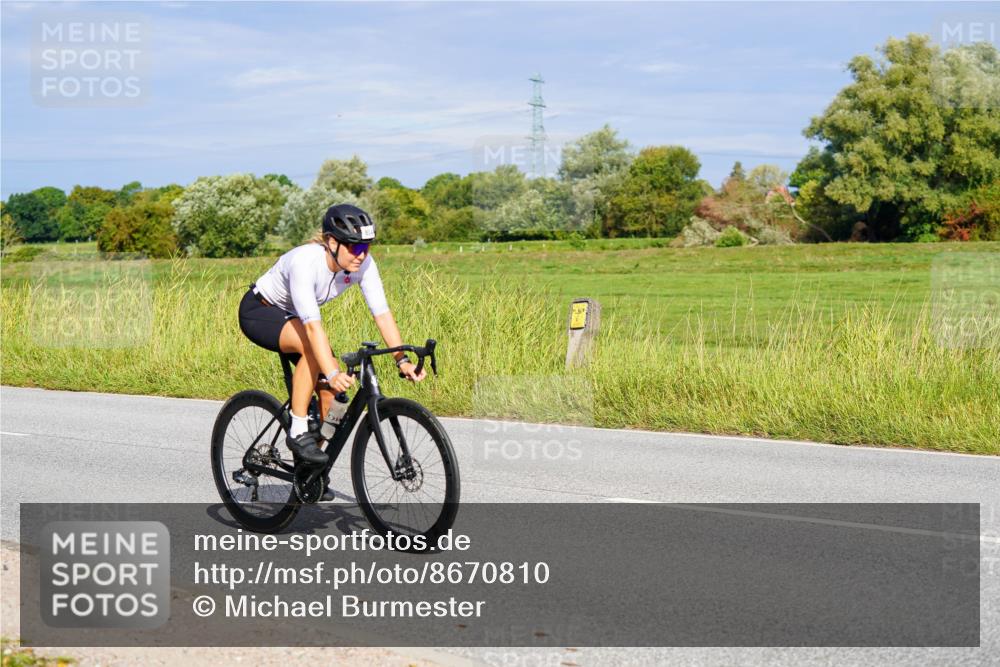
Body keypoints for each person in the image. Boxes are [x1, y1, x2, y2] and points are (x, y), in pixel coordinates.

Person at [237, 204, 425, 465]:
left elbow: (382, 314)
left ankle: (310, 470)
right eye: (354, 247)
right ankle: (298, 429)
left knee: (331, 397)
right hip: (261, 311)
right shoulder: (305, 262)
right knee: (313, 351)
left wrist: (401, 359)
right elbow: (313, 328)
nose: (361, 255)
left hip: (297, 320)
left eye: (366, 247)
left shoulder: (364, 265)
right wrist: (334, 373)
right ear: (331, 242)